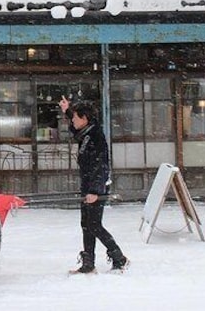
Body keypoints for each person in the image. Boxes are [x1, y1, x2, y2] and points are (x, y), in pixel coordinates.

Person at [59, 96, 129, 274]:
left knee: (94, 225)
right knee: (86, 224)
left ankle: (119, 258)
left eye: (75, 117)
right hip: (88, 184)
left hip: (96, 187)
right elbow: (76, 132)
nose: (72, 121)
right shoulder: (86, 133)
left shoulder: (95, 136)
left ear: (85, 119)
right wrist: (68, 111)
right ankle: (88, 264)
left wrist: (95, 191)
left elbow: (101, 165)